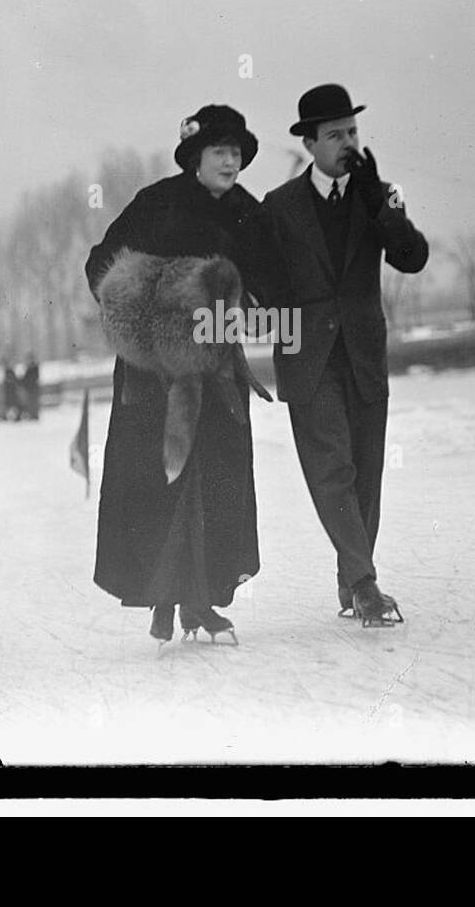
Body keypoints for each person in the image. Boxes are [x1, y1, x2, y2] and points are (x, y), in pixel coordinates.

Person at [85, 104, 279, 646]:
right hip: (153, 371)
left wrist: (251, 303)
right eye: (220, 151)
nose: (231, 161)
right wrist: (149, 310)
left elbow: (269, 281)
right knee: (160, 480)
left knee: (214, 478)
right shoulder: (156, 203)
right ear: (195, 157)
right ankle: (166, 597)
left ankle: (197, 598)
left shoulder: (248, 211)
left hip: (216, 368)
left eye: (238, 152)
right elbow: (102, 265)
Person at [262, 84, 429, 626]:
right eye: (334, 134)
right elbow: (263, 283)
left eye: (352, 131)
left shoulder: (377, 195)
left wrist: (380, 202)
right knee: (332, 469)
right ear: (309, 143)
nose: (347, 143)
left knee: (366, 471)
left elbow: (413, 258)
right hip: (309, 359)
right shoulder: (280, 206)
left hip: (362, 353)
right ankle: (364, 583)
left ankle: (350, 576)